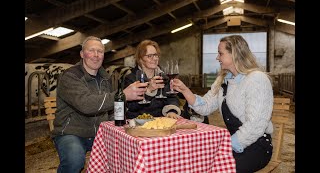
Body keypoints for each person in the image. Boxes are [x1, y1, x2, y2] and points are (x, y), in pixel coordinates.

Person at [172, 35, 274, 173]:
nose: (217, 58)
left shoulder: (257, 79)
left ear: (235, 54)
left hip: (256, 146)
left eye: (220, 53)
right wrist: (185, 90)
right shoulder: (223, 79)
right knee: (196, 162)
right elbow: (205, 106)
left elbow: (255, 126)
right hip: (232, 143)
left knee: (216, 168)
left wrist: (224, 146)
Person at [51, 36, 148, 173]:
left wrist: (119, 122)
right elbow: (86, 104)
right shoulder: (70, 76)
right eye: (91, 50)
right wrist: (123, 95)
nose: (96, 55)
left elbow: (108, 106)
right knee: (75, 159)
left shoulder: (105, 78)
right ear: (82, 54)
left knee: (128, 149)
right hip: (71, 133)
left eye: (100, 51)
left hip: (99, 134)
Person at [124, 40, 181, 119]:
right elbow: (131, 107)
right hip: (138, 122)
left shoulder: (164, 77)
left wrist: (171, 110)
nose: (154, 58)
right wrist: (148, 90)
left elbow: (172, 97)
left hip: (160, 121)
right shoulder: (131, 78)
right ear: (140, 59)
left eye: (155, 55)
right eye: (149, 56)